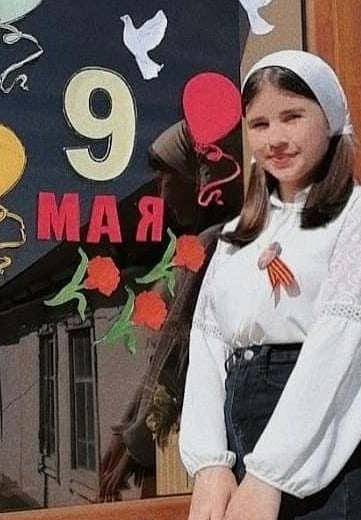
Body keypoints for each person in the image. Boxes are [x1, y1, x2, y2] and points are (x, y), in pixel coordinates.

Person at [179, 49, 361, 520]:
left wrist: (269, 475)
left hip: (321, 433)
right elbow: (207, 342)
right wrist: (209, 463)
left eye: (292, 117)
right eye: (259, 124)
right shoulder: (235, 235)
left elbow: (342, 344)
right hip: (239, 427)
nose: (275, 139)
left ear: (330, 119)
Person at [98, 119, 243, 501]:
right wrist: (125, 431)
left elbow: (174, 358)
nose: (160, 197)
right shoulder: (204, 243)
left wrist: (134, 445)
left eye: (165, 180)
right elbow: (162, 359)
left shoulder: (212, 244)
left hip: (188, 450)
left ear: (196, 179)